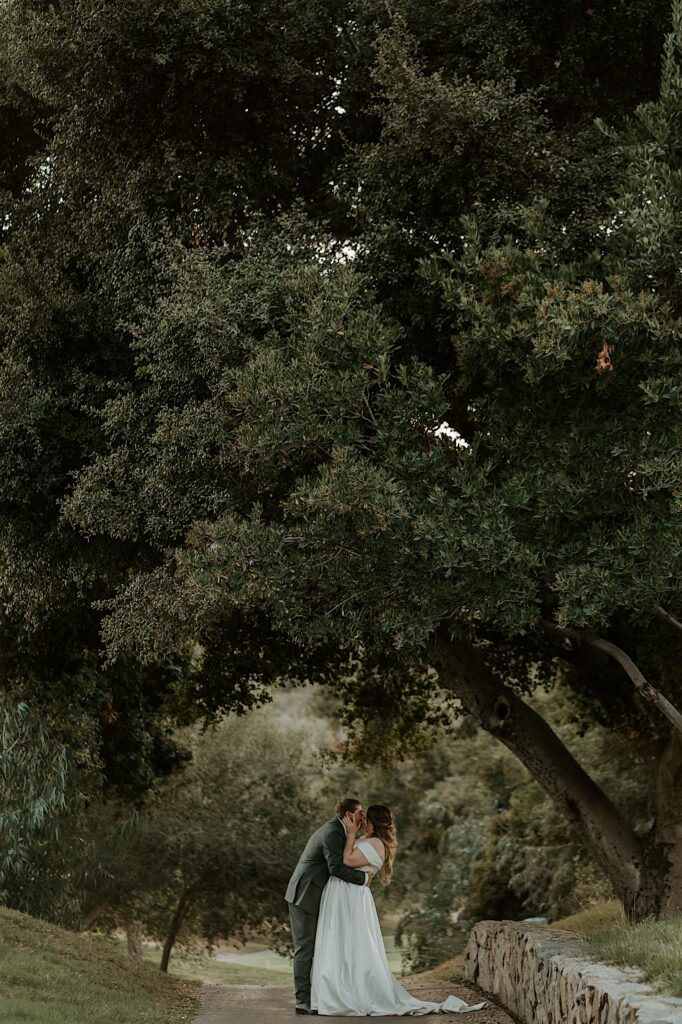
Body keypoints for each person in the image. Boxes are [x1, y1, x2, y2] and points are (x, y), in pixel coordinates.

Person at [310, 804, 486, 1016]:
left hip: (350, 897)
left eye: (365, 818)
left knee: (353, 943)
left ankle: (352, 991)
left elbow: (347, 860)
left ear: (373, 822)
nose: (362, 820)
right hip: (346, 894)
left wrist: (350, 834)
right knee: (344, 942)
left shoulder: (374, 842)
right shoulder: (371, 841)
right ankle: (342, 987)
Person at [285, 797, 372, 1015]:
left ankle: (317, 997)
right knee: (305, 947)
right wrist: (363, 879)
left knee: (317, 947)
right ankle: (302, 1002)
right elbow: (335, 867)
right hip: (304, 894)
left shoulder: (341, 830)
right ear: (349, 814)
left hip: (314, 893)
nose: (363, 816)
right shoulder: (333, 832)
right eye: (360, 812)